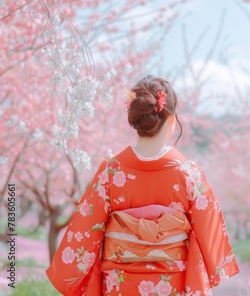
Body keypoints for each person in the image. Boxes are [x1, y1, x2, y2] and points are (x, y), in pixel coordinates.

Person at [46, 75, 239, 295]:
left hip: (119, 284)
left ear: (135, 121)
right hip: (172, 283)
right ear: (172, 120)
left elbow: (85, 228)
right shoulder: (189, 173)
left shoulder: (111, 171)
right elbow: (209, 229)